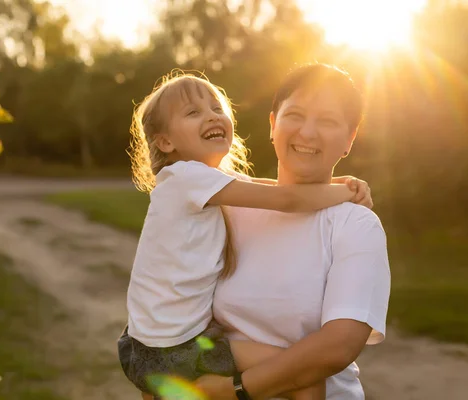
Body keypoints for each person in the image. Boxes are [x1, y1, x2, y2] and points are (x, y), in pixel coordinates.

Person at [116, 70, 371, 400]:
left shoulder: (196, 179)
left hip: (148, 346)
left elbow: (265, 187)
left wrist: (337, 184)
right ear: (166, 142)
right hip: (176, 350)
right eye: (194, 112)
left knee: (292, 373)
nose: (211, 116)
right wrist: (348, 193)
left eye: (216, 108)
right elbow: (287, 199)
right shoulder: (187, 178)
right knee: (303, 377)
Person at [195, 63, 391, 400]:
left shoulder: (356, 225)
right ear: (273, 124)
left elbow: (338, 346)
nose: (308, 133)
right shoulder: (225, 205)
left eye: (328, 121)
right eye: (295, 114)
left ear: (349, 140)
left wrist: (235, 391)